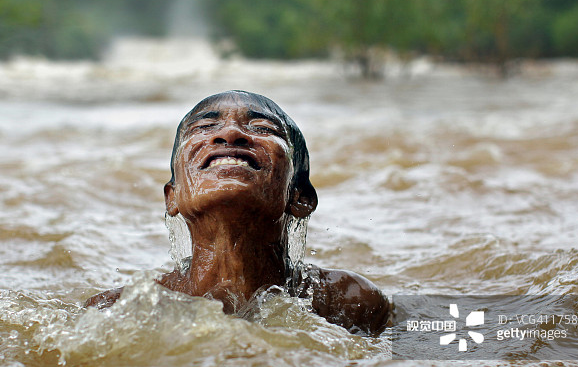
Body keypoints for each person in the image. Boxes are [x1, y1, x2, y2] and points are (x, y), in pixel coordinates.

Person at [85, 90, 390, 335]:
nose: (230, 134)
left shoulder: (348, 301)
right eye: (204, 127)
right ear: (172, 196)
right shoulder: (118, 311)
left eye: (263, 128)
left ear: (301, 199)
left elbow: (432, 351)